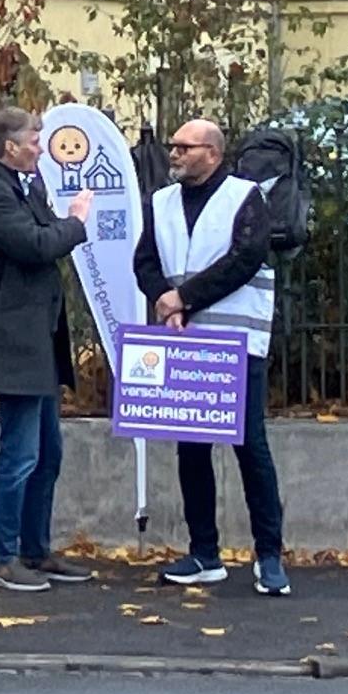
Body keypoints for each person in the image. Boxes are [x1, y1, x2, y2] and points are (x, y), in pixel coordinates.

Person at [135, 117, 289, 596]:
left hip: (237, 343)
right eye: (173, 146)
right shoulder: (160, 202)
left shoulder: (245, 197)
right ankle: (204, 553)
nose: (175, 154)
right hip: (187, 339)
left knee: (250, 446)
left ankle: (269, 556)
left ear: (213, 154)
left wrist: (184, 300)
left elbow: (245, 259)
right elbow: (146, 260)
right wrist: (163, 296)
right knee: (192, 448)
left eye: (185, 147)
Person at [0, 105, 96, 593]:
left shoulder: (26, 185)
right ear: (9, 147)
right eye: (34, 140)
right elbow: (36, 244)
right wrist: (77, 222)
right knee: (20, 454)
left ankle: (35, 551)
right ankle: (0, 558)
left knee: (48, 453)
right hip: (14, 337)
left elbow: (43, 235)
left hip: (40, 333)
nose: (42, 147)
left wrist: (61, 227)